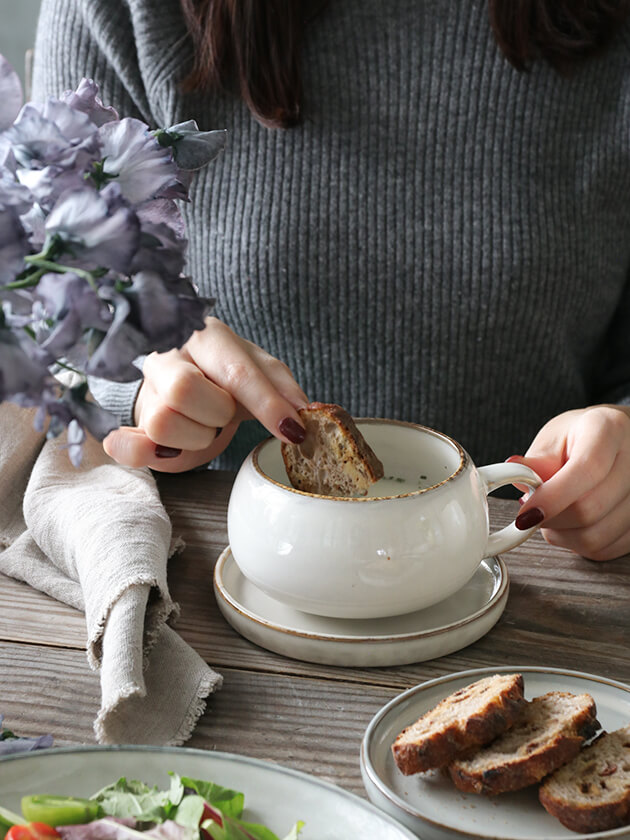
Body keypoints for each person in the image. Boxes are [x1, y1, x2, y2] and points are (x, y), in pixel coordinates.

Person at [31, 0, 630, 561]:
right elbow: (49, 316)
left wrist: (620, 444)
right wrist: (143, 379)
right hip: (214, 570)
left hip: (540, 580)